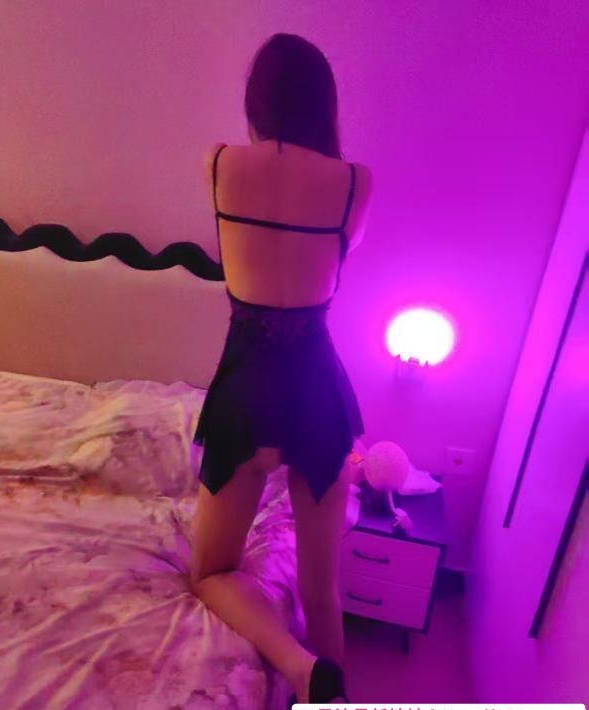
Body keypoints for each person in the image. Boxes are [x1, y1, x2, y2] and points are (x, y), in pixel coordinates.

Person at [189, 32, 373, 706]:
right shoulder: (354, 182)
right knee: (322, 591)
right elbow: (340, 259)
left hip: (247, 391)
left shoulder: (219, 164)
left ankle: (297, 666)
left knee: (211, 572)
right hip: (317, 392)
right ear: (324, 102)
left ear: (256, 100)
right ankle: (333, 692)